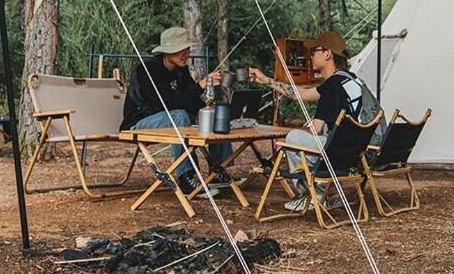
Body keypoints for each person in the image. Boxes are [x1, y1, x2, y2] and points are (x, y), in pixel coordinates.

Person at [249, 30, 385, 212]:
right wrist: (266, 81)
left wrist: (289, 139)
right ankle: (327, 195)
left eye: (314, 51)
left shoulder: (332, 87)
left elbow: (316, 129)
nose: (310, 56)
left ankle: (313, 196)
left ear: (327, 54)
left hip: (344, 154)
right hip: (362, 153)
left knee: (293, 138)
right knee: (301, 140)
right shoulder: (350, 80)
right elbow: (302, 94)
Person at [120, 26, 233, 197]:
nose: (186, 53)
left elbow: (191, 102)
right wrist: (200, 86)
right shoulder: (148, 69)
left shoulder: (181, 70)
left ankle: (218, 170)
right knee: (179, 115)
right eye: (180, 50)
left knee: (214, 113)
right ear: (167, 52)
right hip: (139, 122)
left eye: (187, 49)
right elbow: (168, 103)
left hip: (172, 118)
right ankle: (185, 177)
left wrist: (206, 110)